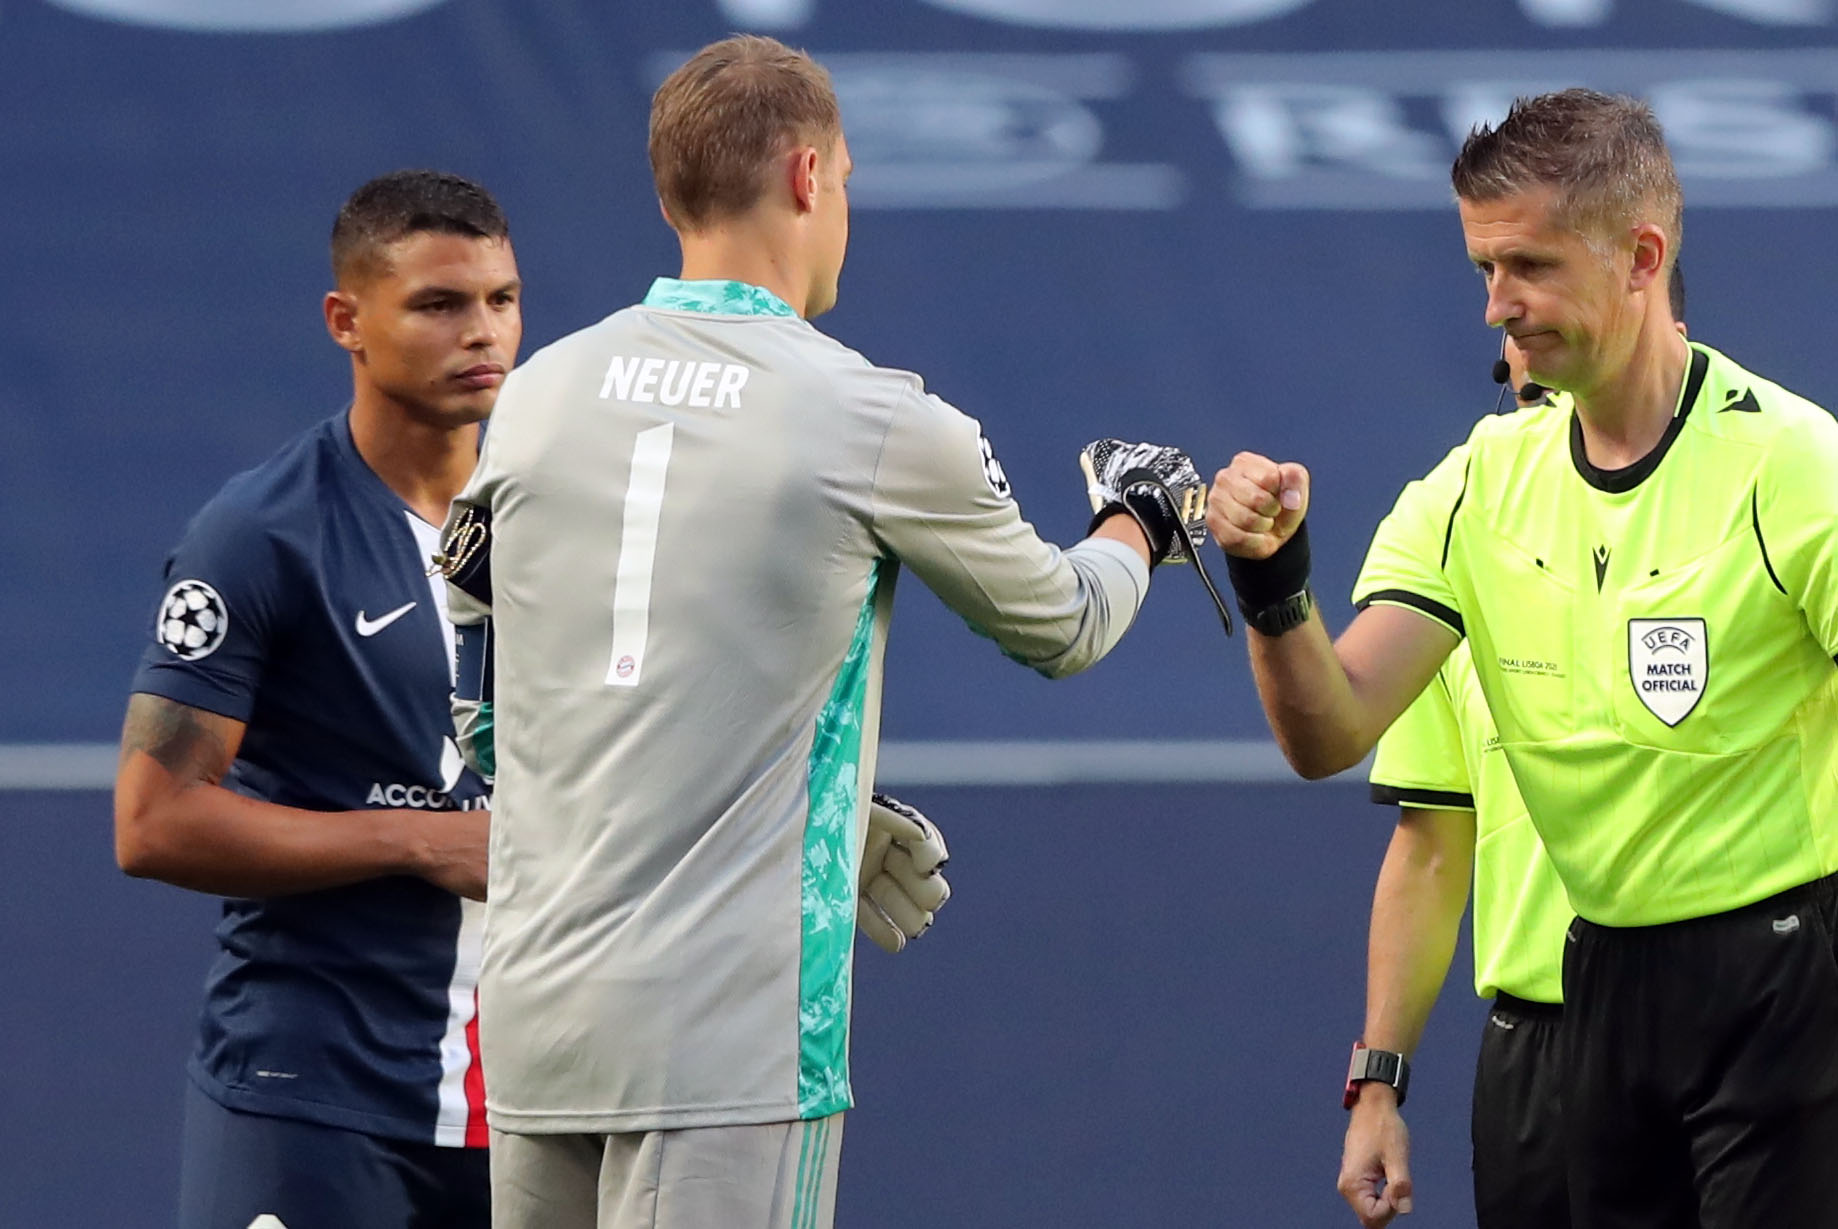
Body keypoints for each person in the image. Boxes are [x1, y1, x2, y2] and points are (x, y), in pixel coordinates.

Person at [441, 33, 1204, 1229]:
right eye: (844, 177)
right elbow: (1064, 622)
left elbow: (483, 706)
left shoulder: (536, 392)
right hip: (728, 1040)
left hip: (539, 1023)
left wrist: (803, 795)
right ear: (807, 177)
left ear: (666, 193)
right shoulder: (871, 416)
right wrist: (1139, 519)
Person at [1208, 88, 1838, 1229]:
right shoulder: (1475, 486)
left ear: (1640, 256)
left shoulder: (1791, 467)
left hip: (1783, 978)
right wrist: (1271, 583)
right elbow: (1328, 730)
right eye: (1483, 271)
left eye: (1529, 267)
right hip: (1592, 984)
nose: (1498, 307)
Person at [113, 169, 520, 1228]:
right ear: (348, 320)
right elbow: (153, 819)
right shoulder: (258, 533)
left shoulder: (572, 515)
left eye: (501, 300)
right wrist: (418, 842)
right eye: (438, 304)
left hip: (536, 1102)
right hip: (310, 1095)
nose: (481, 333)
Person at [1337, 271, 1690, 1229]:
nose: (1541, 419)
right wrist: (1378, 1083)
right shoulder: (1462, 565)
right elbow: (1431, 846)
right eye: (1523, 394)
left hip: (1732, 1020)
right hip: (1543, 1059)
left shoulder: (1746, 526)